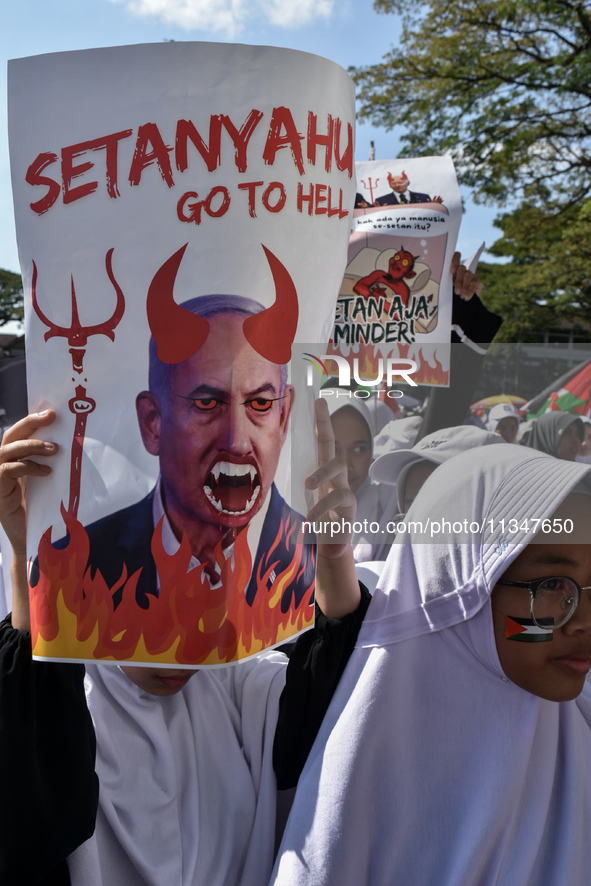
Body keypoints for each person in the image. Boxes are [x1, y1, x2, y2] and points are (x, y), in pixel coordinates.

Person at [0, 401, 368, 886]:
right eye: (146, 597)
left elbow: (334, 704)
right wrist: (29, 553)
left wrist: (334, 559)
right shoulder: (62, 704)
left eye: (204, 608)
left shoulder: (236, 688)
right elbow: (30, 784)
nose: (179, 646)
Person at [271, 445, 591, 885]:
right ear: (463, 591)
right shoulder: (360, 786)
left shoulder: (580, 738)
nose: (584, 619)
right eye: (554, 585)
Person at [32, 273, 315, 660]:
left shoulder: (323, 560)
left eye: (260, 405)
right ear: (153, 423)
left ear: (283, 420)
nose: (235, 440)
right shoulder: (74, 567)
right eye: (206, 404)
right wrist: (16, 550)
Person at [374, 171, 442, 206]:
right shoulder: (381, 201)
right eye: (393, 183)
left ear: (408, 183)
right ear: (389, 185)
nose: (397, 185)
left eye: (400, 182)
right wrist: (377, 211)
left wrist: (435, 207)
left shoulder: (423, 198)